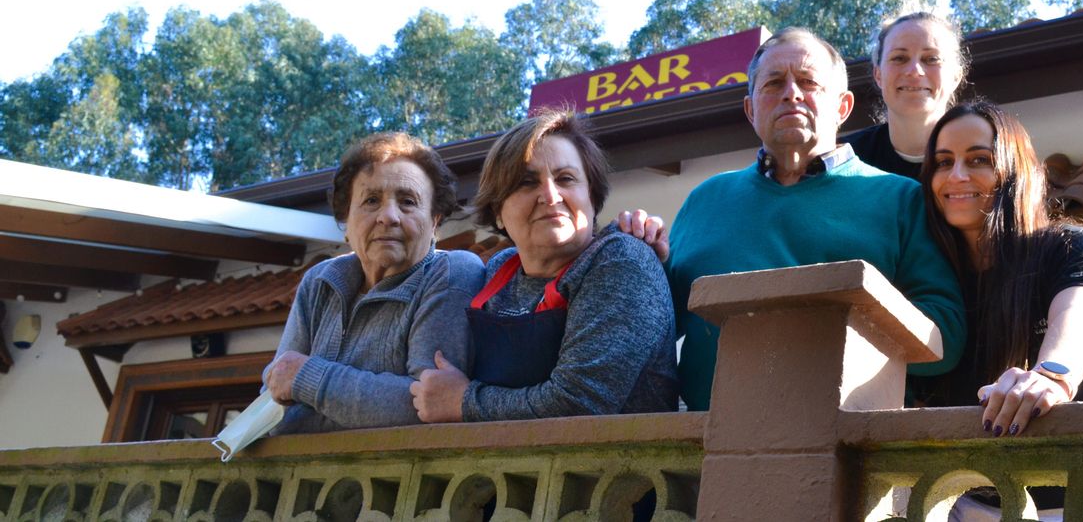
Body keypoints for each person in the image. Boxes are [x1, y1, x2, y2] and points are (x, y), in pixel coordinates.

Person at [660, 27, 966, 411]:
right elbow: (653, 328)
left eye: (808, 81)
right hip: (701, 450)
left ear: (842, 106)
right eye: (774, 83)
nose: (791, 93)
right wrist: (638, 246)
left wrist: (842, 312)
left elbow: (947, 336)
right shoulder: (704, 200)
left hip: (851, 449)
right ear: (750, 109)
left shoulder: (902, 199)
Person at [919, 101, 1083, 518]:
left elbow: (1075, 323)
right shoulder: (935, 282)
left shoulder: (1076, 248)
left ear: (1014, 169)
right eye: (942, 162)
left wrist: (1049, 377)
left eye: (979, 159)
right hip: (970, 506)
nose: (956, 176)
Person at [411, 108, 678, 422]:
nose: (550, 196)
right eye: (527, 182)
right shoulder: (500, 269)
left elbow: (580, 404)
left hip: (612, 467)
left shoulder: (621, 261)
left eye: (565, 179)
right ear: (497, 212)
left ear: (592, 198)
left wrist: (462, 402)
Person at [264, 133, 485, 434]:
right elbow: (272, 408)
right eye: (371, 200)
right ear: (346, 220)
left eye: (408, 202)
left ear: (434, 221)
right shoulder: (319, 282)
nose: (389, 216)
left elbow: (427, 406)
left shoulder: (452, 272)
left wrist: (306, 379)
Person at [840, 12, 968, 180]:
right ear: (878, 75)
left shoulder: (989, 155)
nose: (914, 71)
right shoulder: (844, 162)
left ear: (955, 77)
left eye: (931, 59)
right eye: (899, 58)